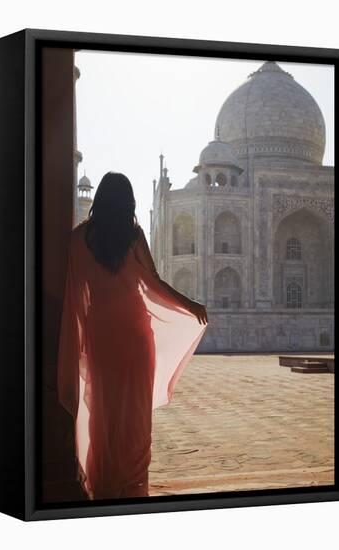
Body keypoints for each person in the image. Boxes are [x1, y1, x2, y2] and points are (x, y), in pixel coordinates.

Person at [57, 172, 208, 500]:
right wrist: (190, 305)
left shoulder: (77, 239)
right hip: (136, 339)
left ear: (98, 199)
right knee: (135, 421)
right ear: (129, 203)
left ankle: (105, 485)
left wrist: (82, 340)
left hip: (102, 339)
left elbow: (77, 295)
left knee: (104, 413)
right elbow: (153, 284)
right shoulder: (134, 234)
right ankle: (132, 488)